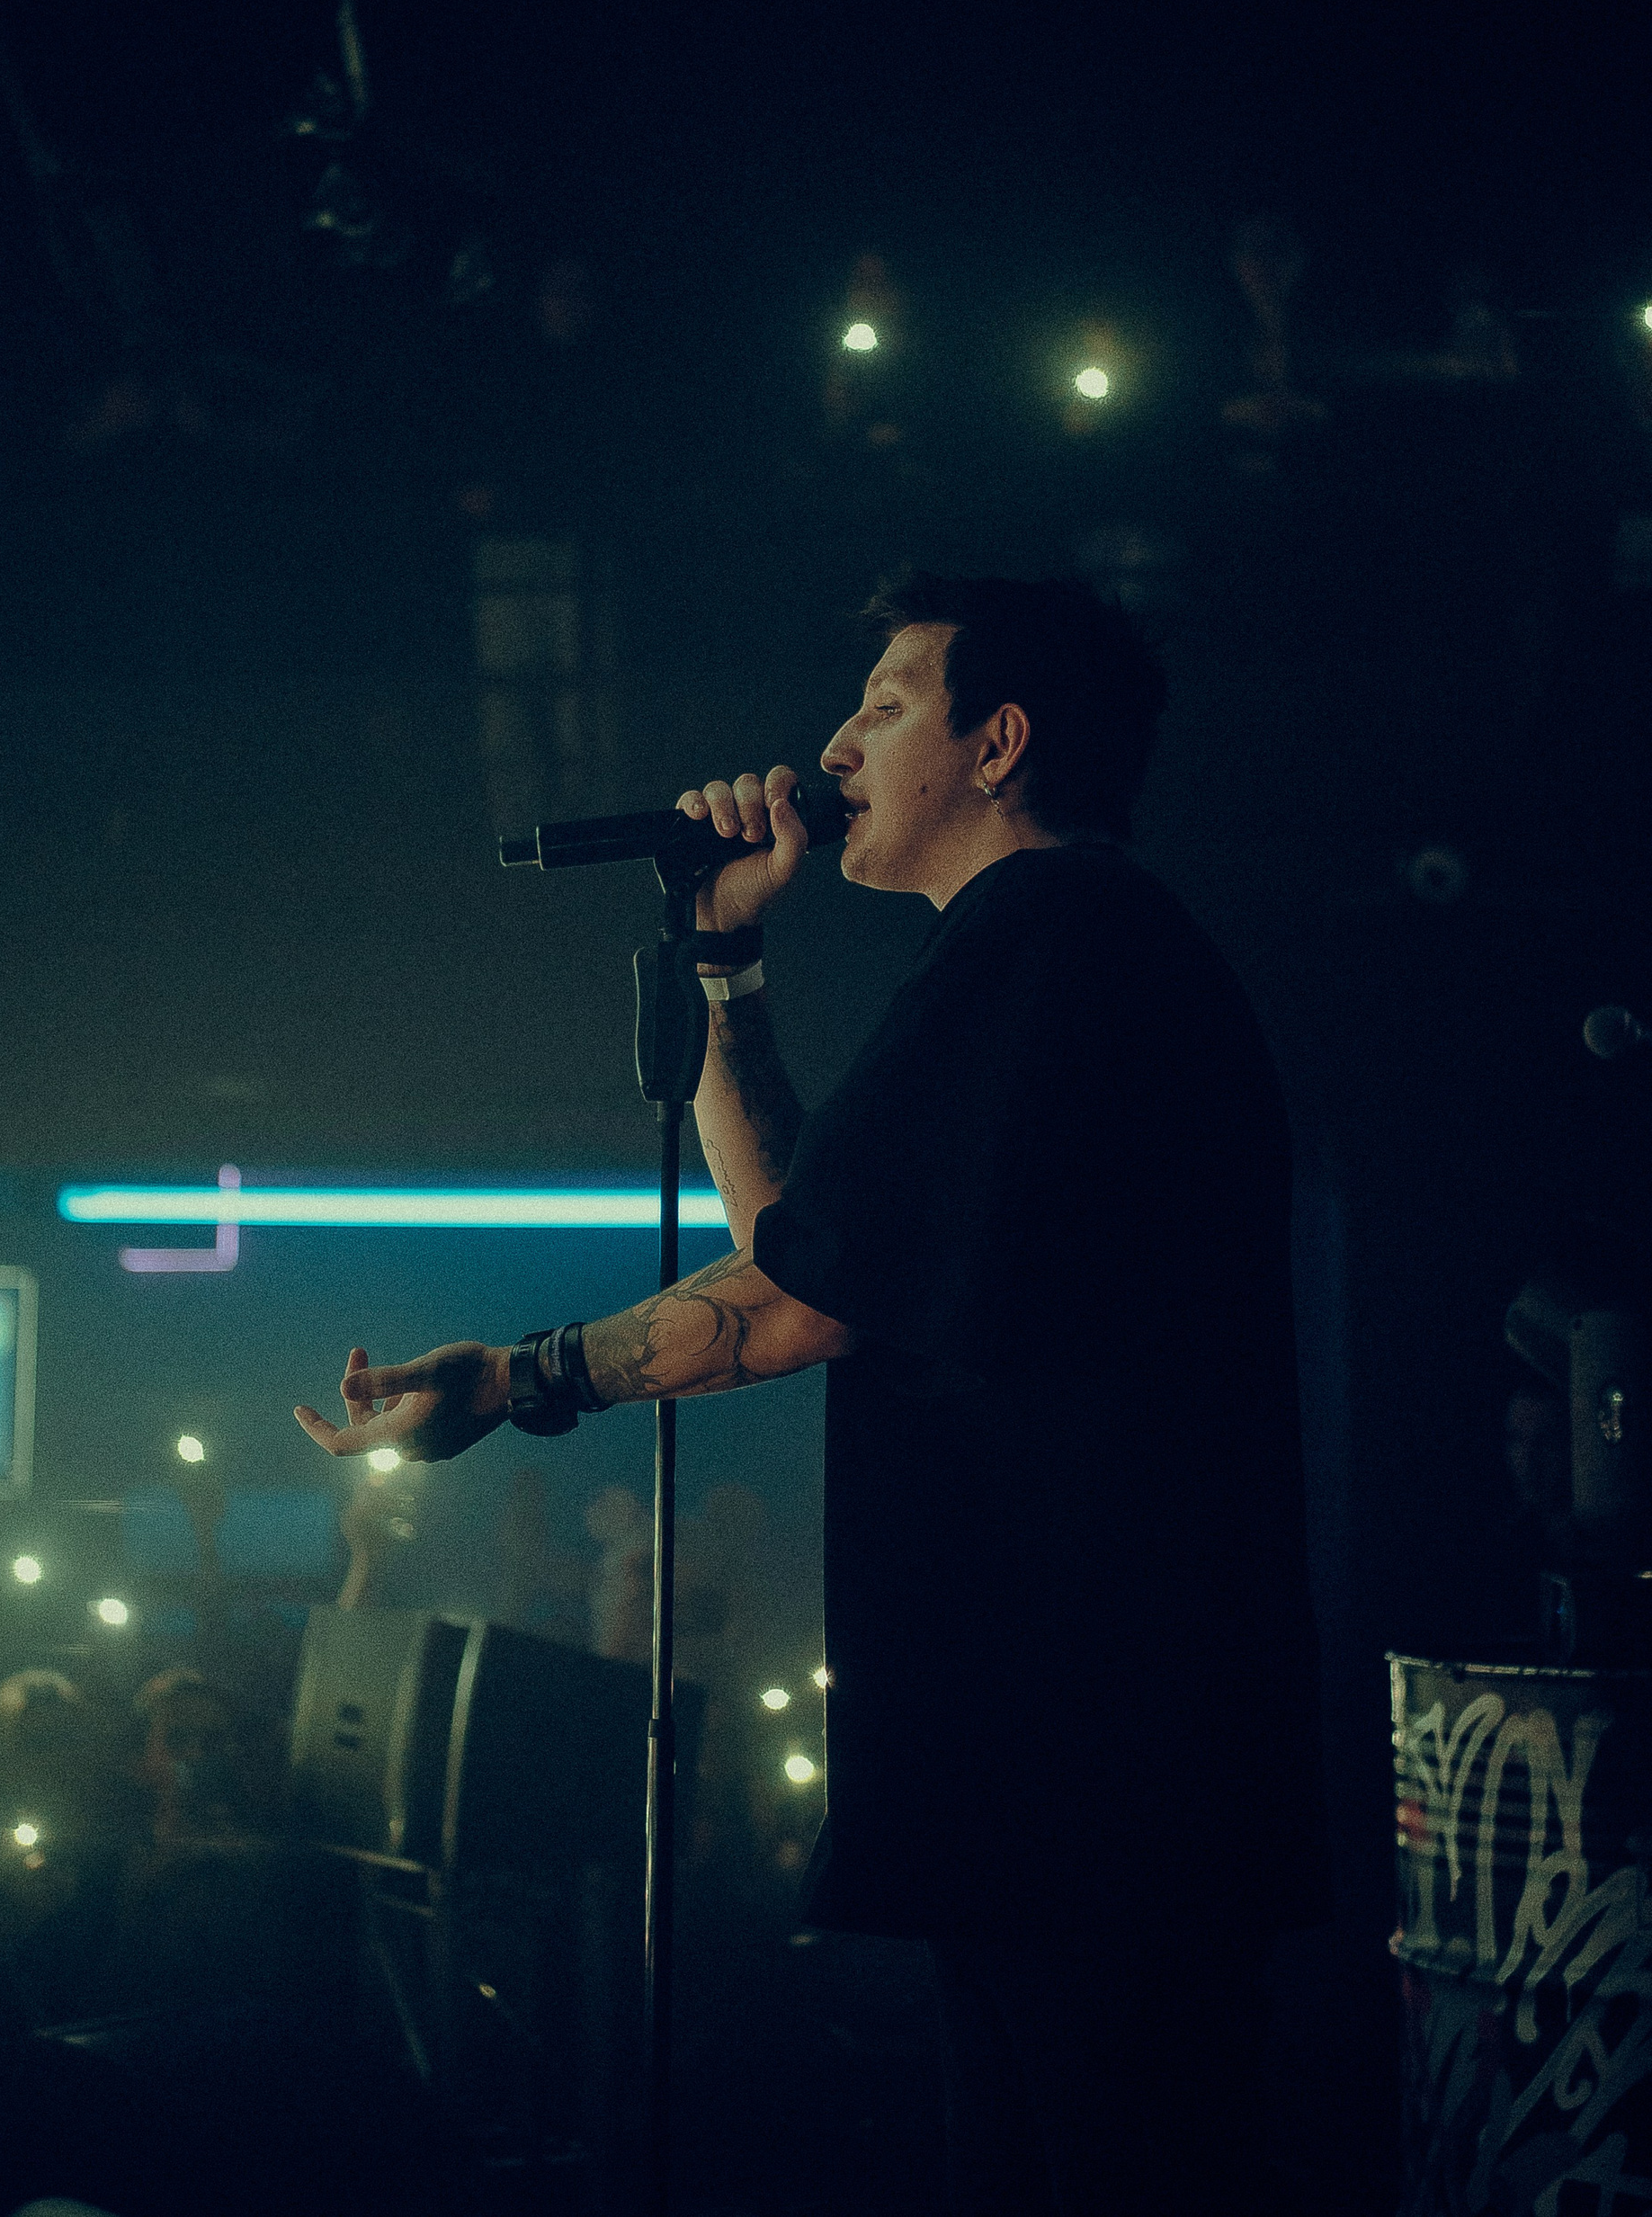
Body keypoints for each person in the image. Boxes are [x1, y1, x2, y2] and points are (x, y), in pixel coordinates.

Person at [295, 569, 1327, 2213]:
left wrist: (514, 1376)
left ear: (1000, 742)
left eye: (888, 705)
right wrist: (721, 954)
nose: (835, 745)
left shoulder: (1054, 938)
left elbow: (788, 1307)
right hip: (1065, 1772)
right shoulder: (1056, 951)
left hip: (1097, 1769)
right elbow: (803, 1241)